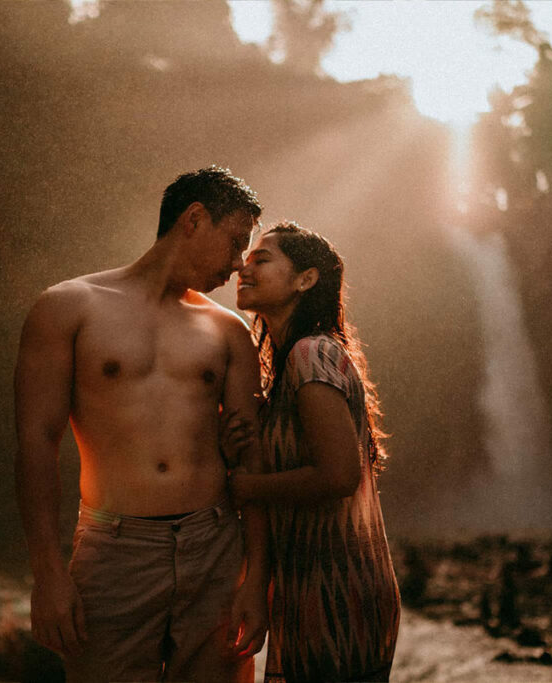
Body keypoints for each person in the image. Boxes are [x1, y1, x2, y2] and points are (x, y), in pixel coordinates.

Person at [14, 166, 269, 683]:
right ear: (194, 219)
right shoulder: (68, 307)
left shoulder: (229, 330)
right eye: (235, 242)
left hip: (215, 547)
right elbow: (35, 444)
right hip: (114, 551)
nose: (239, 264)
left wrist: (256, 581)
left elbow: (253, 461)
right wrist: (47, 575)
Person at [222, 221, 401, 682]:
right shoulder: (289, 369)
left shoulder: (311, 356)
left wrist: (245, 487)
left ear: (306, 279)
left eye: (263, 260)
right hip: (311, 585)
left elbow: (339, 476)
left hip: (340, 588)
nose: (245, 266)